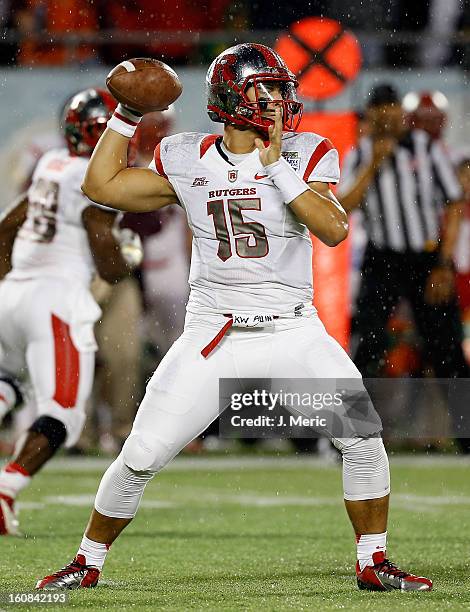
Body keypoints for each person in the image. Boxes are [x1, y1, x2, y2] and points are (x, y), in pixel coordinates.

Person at [36, 44, 431, 592]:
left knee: (362, 437)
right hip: (212, 333)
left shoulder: (307, 152)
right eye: (262, 89)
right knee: (141, 454)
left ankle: (373, 560)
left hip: (292, 326)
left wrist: (276, 170)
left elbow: (334, 228)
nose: (277, 100)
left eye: (279, 89)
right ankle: (86, 562)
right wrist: (127, 116)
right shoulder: (187, 155)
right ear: (230, 96)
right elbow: (102, 185)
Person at [0, 88, 143, 535]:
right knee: (64, 414)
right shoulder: (91, 177)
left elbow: (6, 227)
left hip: (13, 295)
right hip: (56, 301)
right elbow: (105, 257)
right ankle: (5, 489)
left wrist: (9, 280)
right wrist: (126, 260)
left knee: (7, 384)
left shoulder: (50, 163)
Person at [339, 84, 469, 448]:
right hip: (383, 259)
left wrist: (445, 264)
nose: (388, 117)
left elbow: (454, 204)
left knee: (446, 346)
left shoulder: (426, 149)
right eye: (380, 110)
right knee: (368, 344)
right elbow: (344, 205)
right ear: (372, 115)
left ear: (401, 112)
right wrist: (373, 165)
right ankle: (353, 435)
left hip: (426, 258)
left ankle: (467, 438)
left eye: (392, 109)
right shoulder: (360, 153)